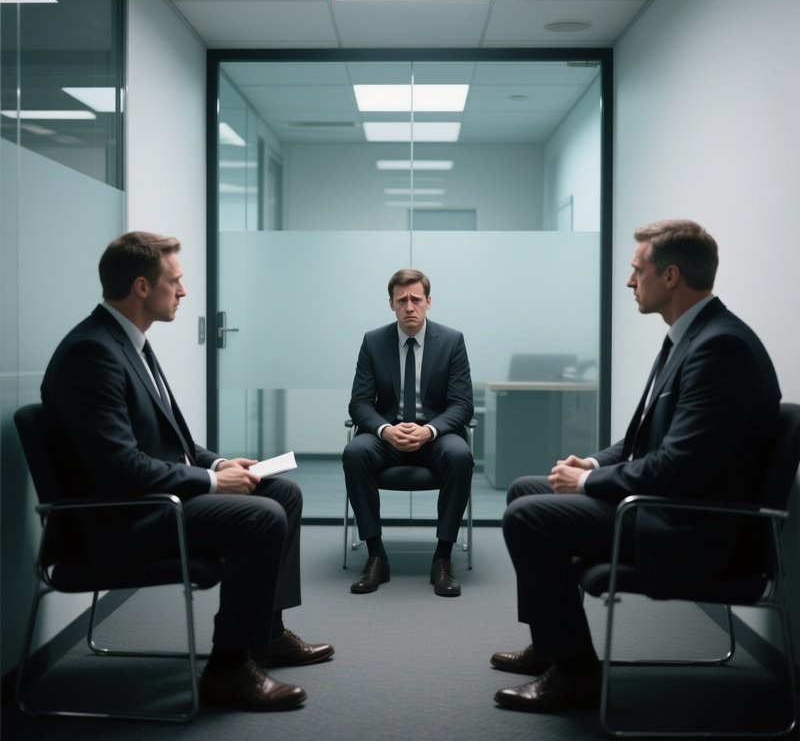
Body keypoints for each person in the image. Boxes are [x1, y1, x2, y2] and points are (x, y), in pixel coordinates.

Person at [491, 219, 781, 713]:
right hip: (667, 505)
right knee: (524, 489)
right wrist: (596, 462)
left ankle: (577, 675)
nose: (629, 282)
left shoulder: (720, 348)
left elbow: (679, 469)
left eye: (637, 270)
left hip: (691, 525)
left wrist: (585, 481)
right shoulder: (690, 337)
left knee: (527, 517)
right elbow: (644, 438)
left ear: (670, 276)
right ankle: (552, 644)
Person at [41, 231, 334, 712]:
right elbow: (119, 470)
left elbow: (169, 442)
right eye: (175, 281)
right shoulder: (91, 353)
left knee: (280, 492)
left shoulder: (129, 342)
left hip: (151, 501)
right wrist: (215, 483)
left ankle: (265, 634)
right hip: (118, 520)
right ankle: (228, 669)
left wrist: (218, 463)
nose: (183, 291)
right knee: (262, 517)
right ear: (141, 286)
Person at [342, 268, 474, 597]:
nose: (409, 306)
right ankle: (376, 554)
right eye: (402, 300)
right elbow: (359, 403)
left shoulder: (452, 341)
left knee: (461, 456)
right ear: (391, 304)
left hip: (435, 437)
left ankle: (443, 556)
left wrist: (429, 430)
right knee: (355, 453)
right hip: (387, 437)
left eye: (416, 299)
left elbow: (462, 405)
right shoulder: (374, 342)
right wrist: (385, 430)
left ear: (429, 302)